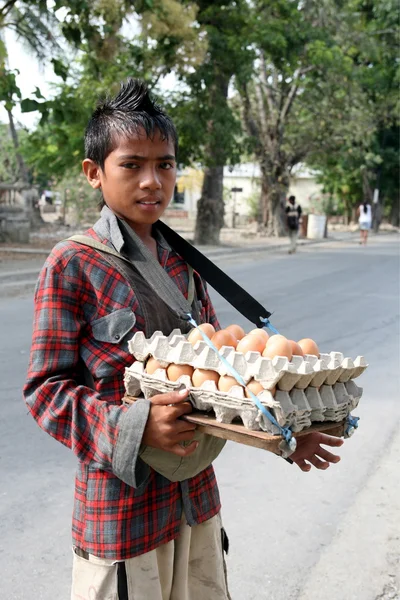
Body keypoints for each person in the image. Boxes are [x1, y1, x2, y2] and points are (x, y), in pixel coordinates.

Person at [23, 79, 344, 600]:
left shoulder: (185, 264)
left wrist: (285, 434)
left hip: (195, 502)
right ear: (93, 173)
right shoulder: (73, 263)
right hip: (122, 514)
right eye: (132, 164)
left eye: (165, 164)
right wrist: (135, 426)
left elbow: (226, 381)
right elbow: (46, 391)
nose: (152, 181)